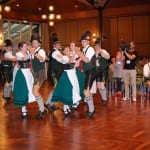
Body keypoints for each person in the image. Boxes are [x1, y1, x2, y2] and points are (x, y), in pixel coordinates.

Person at [51, 46, 81, 115]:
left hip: (73, 75)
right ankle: (65, 107)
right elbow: (70, 61)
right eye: (66, 50)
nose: (68, 51)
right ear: (63, 52)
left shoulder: (71, 56)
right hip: (67, 75)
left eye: (69, 50)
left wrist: (78, 54)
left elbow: (75, 62)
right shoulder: (64, 57)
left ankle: (69, 105)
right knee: (67, 91)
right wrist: (74, 54)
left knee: (73, 90)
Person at [75, 31, 96, 117]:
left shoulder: (90, 49)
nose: (83, 43)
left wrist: (78, 52)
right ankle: (91, 109)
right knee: (86, 91)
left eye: (84, 41)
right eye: (82, 41)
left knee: (86, 91)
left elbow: (86, 60)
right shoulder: (83, 50)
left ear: (88, 42)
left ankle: (92, 110)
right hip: (87, 72)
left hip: (91, 71)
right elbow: (79, 60)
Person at [44, 33, 67, 111]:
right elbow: (63, 59)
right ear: (54, 45)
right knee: (56, 88)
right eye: (57, 44)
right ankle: (48, 103)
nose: (59, 45)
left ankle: (50, 103)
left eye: (59, 43)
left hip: (56, 73)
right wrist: (68, 56)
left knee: (56, 88)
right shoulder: (55, 52)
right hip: (53, 73)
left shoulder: (56, 51)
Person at [13, 41, 35, 119]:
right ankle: (23, 109)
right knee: (23, 90)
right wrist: (30, 52)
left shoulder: (27, 53)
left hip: (28, 73)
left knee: (28, 90)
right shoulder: (18, 54)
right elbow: (23, 59)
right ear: (21, 48)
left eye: (26, 46)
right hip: (22, 74)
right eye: (25, 46)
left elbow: (31, 61)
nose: (26, 47)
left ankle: (24, 107)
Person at [29, 33, 47, 119]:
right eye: (33, 42)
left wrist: (34, 52)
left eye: (35, 42)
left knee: (35, 91)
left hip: (40, 73)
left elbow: (42, 59)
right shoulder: (32, 51)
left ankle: (42, 110)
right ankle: (42, 109)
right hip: (35, 73)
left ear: (39, 43)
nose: (34, 44)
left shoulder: (41, 51)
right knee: (34, 91)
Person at [94, 38, 110, 104]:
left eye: (97, 46)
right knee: (98, 86)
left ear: (100, 46)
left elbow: (108, 57)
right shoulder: (93, 53)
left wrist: (102, 52)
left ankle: (104, 99)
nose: (96, 47)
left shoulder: (103, 51)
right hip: (97, 70)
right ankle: (103, 98)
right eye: (95, 46)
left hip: (103, 70)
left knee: (102, 85)